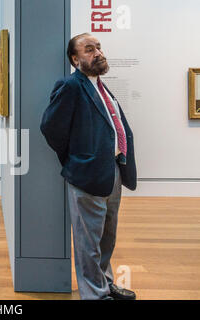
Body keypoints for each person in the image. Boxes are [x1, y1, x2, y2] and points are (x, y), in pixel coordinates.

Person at [40, 33, 137, 300]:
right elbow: (51, 128)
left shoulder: (100, 86)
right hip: (88, 174)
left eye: (99, 48)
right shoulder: (71, 86)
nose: (98, 53)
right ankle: (96, 296)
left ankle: (105, 284)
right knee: (88, 244)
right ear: (75, 59)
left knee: (107, 238)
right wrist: (77, 159)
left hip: (113, 171)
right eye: (89, 49)